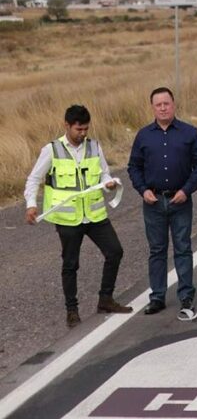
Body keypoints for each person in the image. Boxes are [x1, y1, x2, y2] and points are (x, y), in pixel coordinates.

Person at [24, 105, 132, 327]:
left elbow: (103, 173)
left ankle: (106, 299)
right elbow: (34, 179)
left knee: (115, 252)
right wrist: (31, 205)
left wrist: (109, 183)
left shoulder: (94, 146)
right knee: (70, 264)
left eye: (86, 129)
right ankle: (72, 311)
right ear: (67, 126)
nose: (83, 134)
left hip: (94, 215)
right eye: (78, 129)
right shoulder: (52, 150)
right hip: (68, 219)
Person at [127, 87, 197, 321]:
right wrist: (142, 190)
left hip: (180, 199)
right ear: (152, 107)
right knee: (157, 250)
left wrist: (187, 189)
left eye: (166, 103)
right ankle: (157, 297)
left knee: (182, 248)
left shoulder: (189, 132)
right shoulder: (143, 135)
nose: (163, 108)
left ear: (174, 104)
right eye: (158, 104)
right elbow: (133, 167)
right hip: (153, 202)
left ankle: (186, 295)